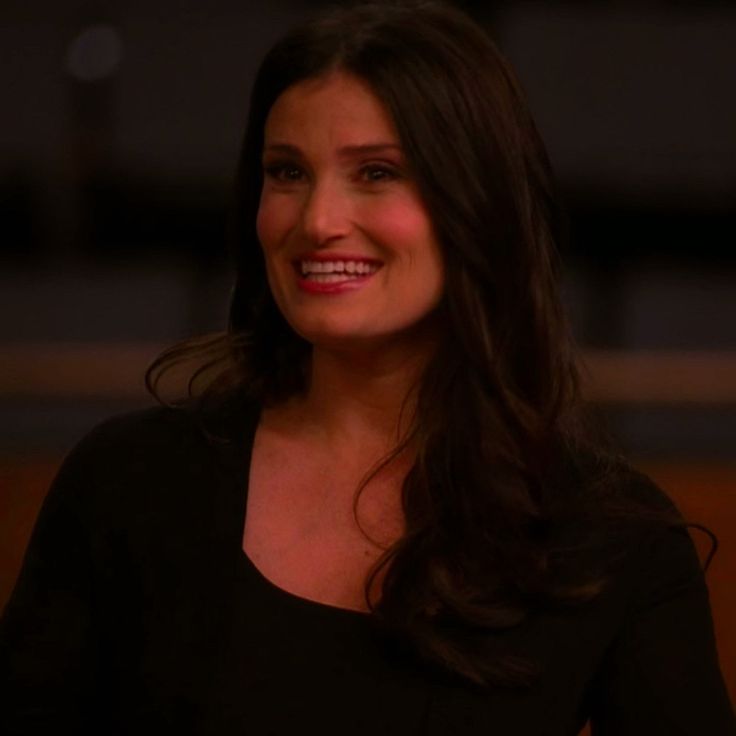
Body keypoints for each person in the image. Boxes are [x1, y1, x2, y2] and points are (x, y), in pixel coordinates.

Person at [1, 1, 734, 733]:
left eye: (377, 172)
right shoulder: (128, 482)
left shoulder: (612, 538)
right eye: (286, 171)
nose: (317, 220)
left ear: (476, 202)